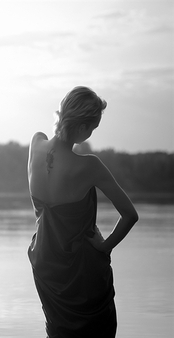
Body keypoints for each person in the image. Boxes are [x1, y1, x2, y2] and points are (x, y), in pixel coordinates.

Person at [27, 86, 138, 338]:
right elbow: (130, 215)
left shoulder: (36, 144)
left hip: (46, 263)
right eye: (92, 127)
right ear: (81, 126)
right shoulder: (89, 166)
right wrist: (105, 246)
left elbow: (39, 212)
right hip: (83, 271)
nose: (91, 133)